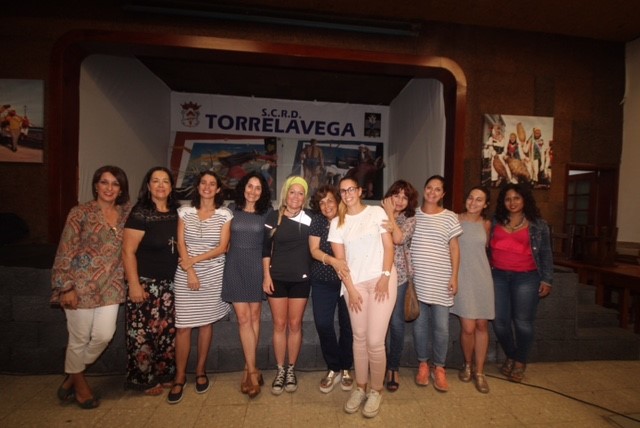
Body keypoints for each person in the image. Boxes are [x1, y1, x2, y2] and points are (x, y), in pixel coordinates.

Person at [51, 165, 131, 409]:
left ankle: (73, 375)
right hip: (80, 285)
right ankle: (80, 387)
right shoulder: (81, 212)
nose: (109, 188)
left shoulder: (126, 213)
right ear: (96, 185)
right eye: (104, 182)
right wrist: (66, 287)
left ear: (121, 189)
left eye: (115, 184)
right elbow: (66, 249)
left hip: (112, 286)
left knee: (104, 335)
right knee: (79, 338)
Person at [328, 177, 397, 418]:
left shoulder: (376, 213)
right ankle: (360, 387)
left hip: (381, 280)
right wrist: (351, 289)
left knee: (375, 341)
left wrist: (385, 276)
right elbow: (340, 262)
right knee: (359, 337)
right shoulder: (337, 222)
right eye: (343, 191)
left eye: (351, 189)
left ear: (359, 191)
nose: (347, 194)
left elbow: (389, 247)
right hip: (354, 284)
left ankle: (376, 391)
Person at [168, 171, 232, 404]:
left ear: (218, 189)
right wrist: (190, 270)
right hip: (186, 274)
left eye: (212, 184)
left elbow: (222, 247)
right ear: (198, 187)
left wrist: (193, 261)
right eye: (203, 183)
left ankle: (200, 370)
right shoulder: (185, 212)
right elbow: (181, 243)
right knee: (183, 326)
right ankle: (179, 376)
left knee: (206, 324)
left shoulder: (225, 214)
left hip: (213, 274)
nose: (207, 187)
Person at [122, 166, 180, 395]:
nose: (161, 185)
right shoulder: (140, 213)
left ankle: (164, 373)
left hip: (171, 284)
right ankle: (143, 378)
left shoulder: (176, 213)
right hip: (146, 284)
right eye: (156, 181)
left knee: (167, 332)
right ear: (148, 186)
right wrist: (134, 284)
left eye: (165, 181)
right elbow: (128, 252)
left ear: (171, 187)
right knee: (142, 334)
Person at [490, 183, 553, 383]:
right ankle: (512, 355)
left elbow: (546, 254)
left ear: (525, 199)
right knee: (499, 323)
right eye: (508, 199)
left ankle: (519, 362)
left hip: (526, 277)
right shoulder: (495, 221)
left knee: (522, 322)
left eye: (517, 198)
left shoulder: (538, 225)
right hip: (498, 276)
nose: (512, 202)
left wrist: (547, 279)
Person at [222, 172, 272, 398]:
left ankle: (247, 368)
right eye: (250, 186)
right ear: (243, 187)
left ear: (262, 192)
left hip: (256, 266)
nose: (253, 191)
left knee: (254, 317)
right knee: (243, 319)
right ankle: (253, 371)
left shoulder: (267, 212)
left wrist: (267, 273)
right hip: (235, 265)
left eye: (258, 188)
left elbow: (270, 245)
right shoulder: (231, 210)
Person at [410, 175, 462, 392]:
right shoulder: (413, 215)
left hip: (441, 280)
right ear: (424, 189)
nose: (432, 192)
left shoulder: (450, 217)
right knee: (420, 326)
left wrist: (454, 276)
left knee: (441, 328)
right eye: (429, 188)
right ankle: (423, 364)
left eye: (437, 189)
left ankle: (439, 367)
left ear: (443, 194)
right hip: (418, 281)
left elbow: (454, 248)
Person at [263, 176, 312, 395]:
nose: (296, 197)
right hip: (277, 278)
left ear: (305, 197)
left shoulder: (310, 217)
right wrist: (266, 276)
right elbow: (265, 249)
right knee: (279, 324)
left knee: (295, 324)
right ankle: (280, 370)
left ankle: (291, 369)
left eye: (300, 193)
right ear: (286, 193)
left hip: (301, 279)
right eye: (292, 192)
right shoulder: (273, 216)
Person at [308, 184, 354, 394]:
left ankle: (345, 368)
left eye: (330, 201)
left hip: (348, 281)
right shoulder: (318, 221)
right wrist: (334, 261)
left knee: (348, 326)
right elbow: (314, 250)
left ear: (338, 201)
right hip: (323, 280)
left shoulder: (349, 219)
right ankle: (333, 366)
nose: (326, 206)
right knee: (323, 323)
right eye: (322, 202)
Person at [451, 186, 494, 393]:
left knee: (482, 325)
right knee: (468, 327)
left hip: (482, 278)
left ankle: (480, 371)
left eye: (479, 200)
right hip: (461, 277)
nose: (473, 202)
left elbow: (486, 250)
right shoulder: (454, 219)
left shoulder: (486, 224)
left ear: (485, 204)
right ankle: (467, 364)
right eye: (470, 197)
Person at [381, 180, 418, 392]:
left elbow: (398, 238)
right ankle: (380, 364)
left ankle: (393, 367)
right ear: (389, 195)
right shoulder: (376, 215)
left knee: (396, 324)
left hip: (400, 278)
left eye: (405, 197)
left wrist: (390, 215)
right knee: (379, 326)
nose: (400, 200)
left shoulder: (409, 219)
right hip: (378, 277)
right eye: (396, 195)